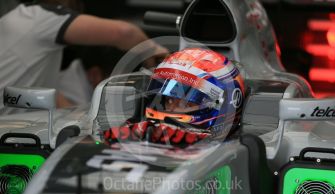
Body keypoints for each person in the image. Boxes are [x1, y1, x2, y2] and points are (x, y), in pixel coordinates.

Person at [0, 0, 167, 113]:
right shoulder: (40, 18)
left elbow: (54, 97)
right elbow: (125, 32)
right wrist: (157, 54)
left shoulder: (17, 24)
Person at [104, 48, 246, 147]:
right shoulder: (136, 133)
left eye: (186, 104)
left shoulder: (234, 152)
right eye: (169, 100)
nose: (171, 110)